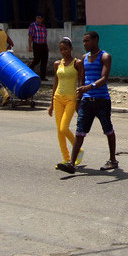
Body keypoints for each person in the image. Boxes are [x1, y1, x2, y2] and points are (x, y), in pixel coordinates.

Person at [56, 31, 119, 174]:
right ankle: (72, 164)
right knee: (80, 132)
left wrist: (90, 87)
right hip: (86, 101)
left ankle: (113, 160)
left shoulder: (105, 56)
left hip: (102, 99)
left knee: (108, 130)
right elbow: (82, 78)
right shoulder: (84, 58)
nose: (85, 44)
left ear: (96, 40)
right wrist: (79, 97)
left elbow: (104, 78)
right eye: (83, 41)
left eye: (87, 41)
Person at [48, 37, 85, 167]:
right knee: (59, 130)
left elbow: (81, 81)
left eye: (65, 48)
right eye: (61, 49)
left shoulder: (77, 63)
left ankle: (79, 149)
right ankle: (65, 158)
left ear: (71, 48)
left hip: (71, 98)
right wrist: (51, 103)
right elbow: (55, 82)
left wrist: (79, 97)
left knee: (64, 127)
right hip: (58, 98)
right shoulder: (57, 64)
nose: (63, 51)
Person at [28, 13, 49, 80]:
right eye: (38, 18)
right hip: (36, 44)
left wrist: (47, 46)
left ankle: (42, 76)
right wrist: (29, 46)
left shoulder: (43, 26)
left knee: (44, 60)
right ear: (36, 18)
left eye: (41, 18)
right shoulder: (33, 25)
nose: (39, 19)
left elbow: (44, 37)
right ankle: (28, 70)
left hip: (43, 44)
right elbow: (30, 36)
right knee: (36, 59)